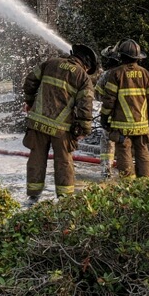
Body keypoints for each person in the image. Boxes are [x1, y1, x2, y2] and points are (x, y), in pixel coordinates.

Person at [22, 44, 98, 205]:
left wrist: (30, 102)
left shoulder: (50, 63)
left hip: (38, 123)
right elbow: (85, 106)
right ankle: (65, 199)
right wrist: (84, 128)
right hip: (62, 128)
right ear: (86, 63)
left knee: (36, 157)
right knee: (64, 161)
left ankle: (33, 197)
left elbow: (30, 81)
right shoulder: (83, 77)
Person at [99, 39, 149, 179]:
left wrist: (104, 116)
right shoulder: (145, 74)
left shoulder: (116, 74)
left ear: (121, 56)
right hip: (142, 125)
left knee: (124, 152)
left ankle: (128, 185)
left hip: (122, 125)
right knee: (143, 152)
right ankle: (146, 183)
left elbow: (109, 99)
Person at [93, 44, 122, 178]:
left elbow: (97, 95)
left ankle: (106, 171)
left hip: (110, 115)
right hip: (132, 117)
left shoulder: (106, 75)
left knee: (107, 143)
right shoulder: (130, 73)